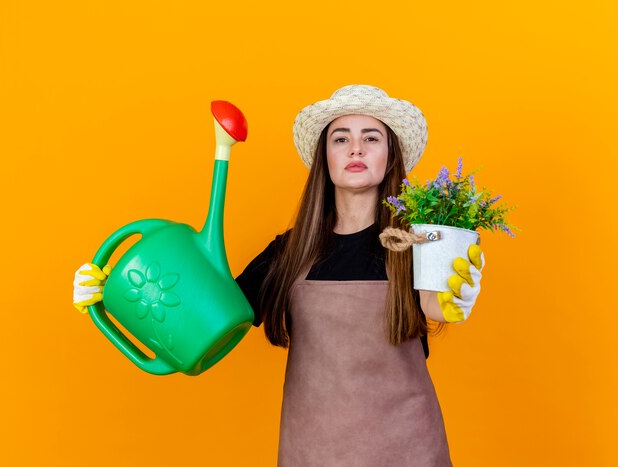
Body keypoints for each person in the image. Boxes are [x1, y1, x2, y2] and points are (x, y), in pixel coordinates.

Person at [73, 84, 485, 466]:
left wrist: (456, 298)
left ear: (390, 156)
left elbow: (436, 303)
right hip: (313, 450)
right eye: (340, 138)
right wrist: (112, 293)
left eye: (371, 137)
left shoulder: (419, 242)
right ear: (325, 157)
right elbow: (202, 325)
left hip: (409, 446)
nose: (355, 147)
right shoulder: (288, 252)